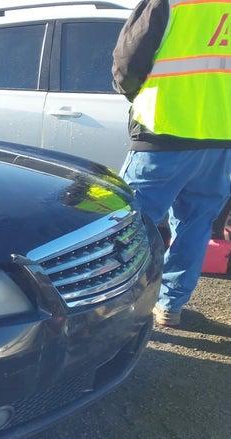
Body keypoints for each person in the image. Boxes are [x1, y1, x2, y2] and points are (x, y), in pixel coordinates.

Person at [112, 0, 231, 328]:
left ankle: (118, 308)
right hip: (220, 136)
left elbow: (128, 61)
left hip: (163, 130)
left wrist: (135, 94)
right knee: (196, 224)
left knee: (129, 225)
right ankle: (170, 306)